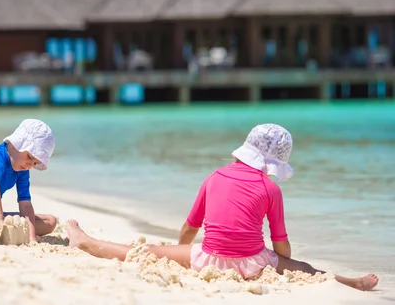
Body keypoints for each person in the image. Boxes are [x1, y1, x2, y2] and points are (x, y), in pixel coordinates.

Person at [65, 123, 379, 292]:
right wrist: (283, 261)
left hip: (208, 260)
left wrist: (181, 254)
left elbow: (190, 228)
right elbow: (280, 241)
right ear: (273, 164)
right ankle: (349, 282)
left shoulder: (214, 177)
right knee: (307, 270)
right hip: (254, 262)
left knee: (146, 252)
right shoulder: (270, 188)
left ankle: (87, 242)